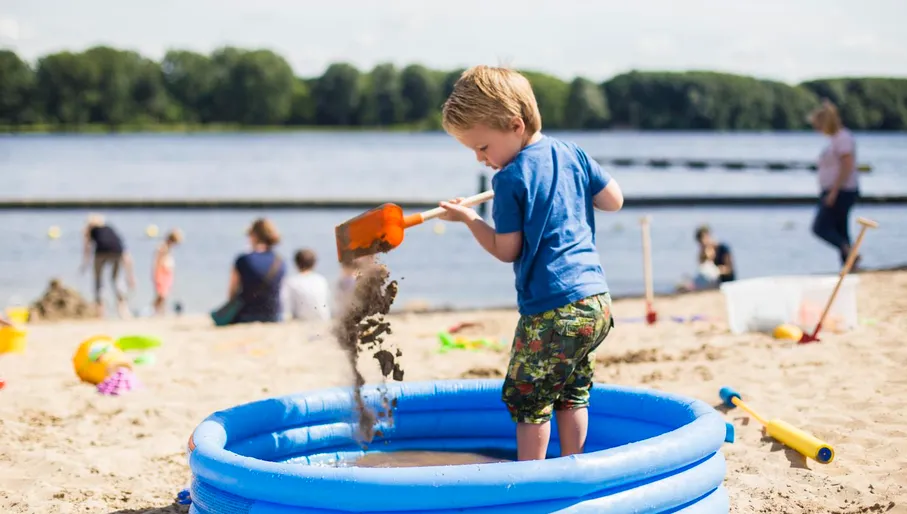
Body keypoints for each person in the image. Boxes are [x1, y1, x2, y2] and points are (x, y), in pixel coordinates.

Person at [437, 65, 623, 461]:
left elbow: (506, 250)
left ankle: (531, 483)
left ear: (515, 125)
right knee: (572, 391)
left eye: (483, 147)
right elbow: (613, 201)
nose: (480, 158)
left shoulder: (508, 180)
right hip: (595, 301)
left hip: (551, 309)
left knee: (528, 398)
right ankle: (574, 466)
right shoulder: (571, 152)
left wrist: (470, 219)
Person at [809, 99, 861, 268]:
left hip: (842, 191)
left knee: (820, 227)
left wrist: (834, 191)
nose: (818, 130)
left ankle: (850, 252)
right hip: (837, 190)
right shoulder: (836, 139)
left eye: (818, 125)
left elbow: (847, 166)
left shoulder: (842, 138)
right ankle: (849, 265)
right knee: (840, 228)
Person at [226, 218, 286, 324]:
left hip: (247, 314)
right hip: (274, 315)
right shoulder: (280, 261)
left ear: (254, 236)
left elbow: (232, 292)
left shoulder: (243, 259)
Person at [81, 214, 135, 318]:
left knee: (98, 280)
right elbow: (123, 249)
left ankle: (100, 310)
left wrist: (85, 263)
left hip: (101, 253)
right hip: (117, 252)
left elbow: (87, 248)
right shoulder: (109, 228)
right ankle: (123, 309)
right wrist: (130, 276)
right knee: (116, 279)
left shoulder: (90, 230)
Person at [281, 249, 332, 321]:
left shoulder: (291, 282)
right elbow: (327, 301)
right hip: (323, 318)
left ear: (296, 264)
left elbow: (286, 307)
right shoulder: (321, 280)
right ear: (314, 264)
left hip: (301, 319)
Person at [152, 229, 183, 316]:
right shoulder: (163, 247)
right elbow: (157, 261)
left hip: (167, 272)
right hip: (162, 272)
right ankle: (154, 310)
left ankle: (161, 311)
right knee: (162, 294)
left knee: (164, 293)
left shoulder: (168, 247)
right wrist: (157, 274)